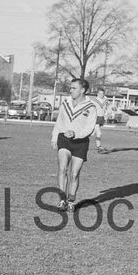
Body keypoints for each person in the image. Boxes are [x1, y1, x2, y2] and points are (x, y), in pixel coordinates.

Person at [50, 78, 99, 212]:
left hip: (80, 143)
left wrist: (76, 134)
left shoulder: (91, 107)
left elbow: (90, 128)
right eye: (70, 88)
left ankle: (71, 201)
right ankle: (62, 200)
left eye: (74, 88)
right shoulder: (65, 103)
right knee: (62, 169)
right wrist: (55, 138)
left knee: (74, 174)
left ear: (82, 90)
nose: (70, 90)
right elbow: (59, 121)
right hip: (64, 140)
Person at [92, 87, 110, 153]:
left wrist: (107, 114)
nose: (101, 95)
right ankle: (99, 146)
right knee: (98, 133)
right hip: (95, 118)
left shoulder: (105, 100)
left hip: (101, 118)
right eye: (100, 93)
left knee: (94, 133)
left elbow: (109, 107)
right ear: (97, 94)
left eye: (102, 94)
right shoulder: (94, 100)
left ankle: (98, 146)